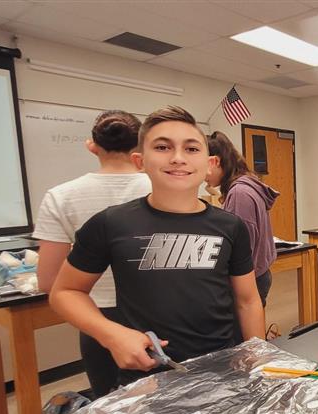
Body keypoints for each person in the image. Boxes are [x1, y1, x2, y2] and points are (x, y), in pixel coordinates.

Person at [49, 106, 266, 386]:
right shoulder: (110, 223)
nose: (178, 158)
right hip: (147, 376)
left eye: (191, 149)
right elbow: (65, 292)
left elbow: (247, 300)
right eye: (163, 147)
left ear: (210, 163)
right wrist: (111, 334)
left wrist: (258, 357)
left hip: (222, 369)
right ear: (140, 161)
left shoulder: (230, 226)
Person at [33, 110, 150, 398]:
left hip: (97, 317)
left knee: (111, 413)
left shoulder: (61, 196)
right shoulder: (163, 186)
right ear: (139, 146)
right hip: (162, 311)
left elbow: (48, 281)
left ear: (92, 145)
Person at [205, 131, 278, 307]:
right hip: (258, 274)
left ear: (216, 162)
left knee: (244, 333)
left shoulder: (239, 193)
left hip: (249, 279)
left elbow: (242, 245)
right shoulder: (243, 185)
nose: (203, 175)